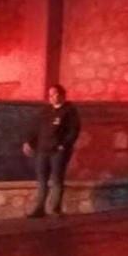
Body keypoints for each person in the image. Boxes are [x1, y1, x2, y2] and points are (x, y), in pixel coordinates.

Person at [22, 84, 80, 218]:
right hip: (43, 150)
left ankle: (54, 209)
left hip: (58, 151)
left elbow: (74, 130)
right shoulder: (45, 111)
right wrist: (28, 142)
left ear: (61, 95)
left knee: (57, 180)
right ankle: (39, 209)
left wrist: (63, 145)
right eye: (50, 95)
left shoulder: (69, 111)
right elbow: (36, 128)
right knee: (42, 180)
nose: (52, 97)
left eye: (54, 94)